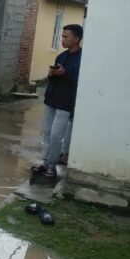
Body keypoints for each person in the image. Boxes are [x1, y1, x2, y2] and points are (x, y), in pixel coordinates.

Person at [33, 24, 83, 178]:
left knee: (56, 134)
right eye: (62, 36)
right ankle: (45, 162)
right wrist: (52, 74)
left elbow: (79, 81)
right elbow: (52, 79)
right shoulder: (61, 56)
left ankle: (52, 165)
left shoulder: (83, 59)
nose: (62, 39)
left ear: (76, 39)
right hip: (52, 98)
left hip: (66, 101)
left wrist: (64, 73)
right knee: (46, 132)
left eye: (65, 37)